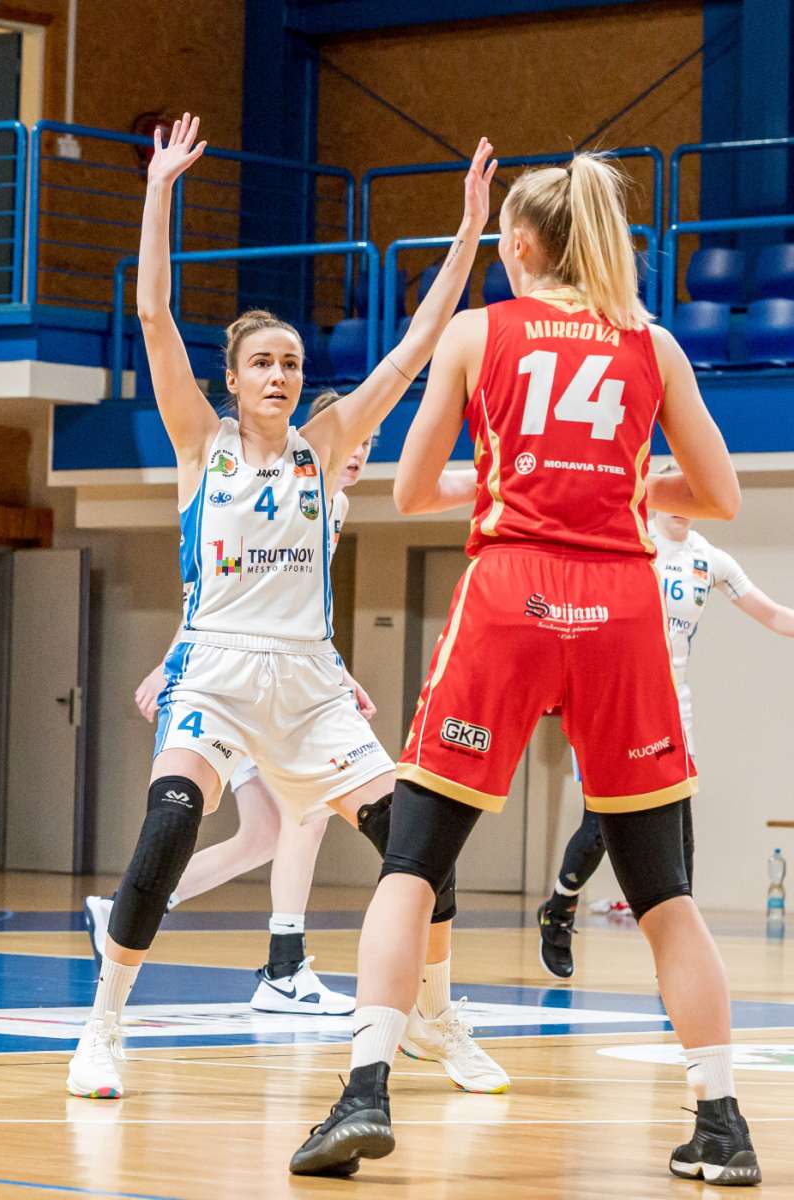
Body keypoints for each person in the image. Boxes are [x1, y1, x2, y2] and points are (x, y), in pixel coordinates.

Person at [291, 153, 761, 1187]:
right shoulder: (652, 341)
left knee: (411, 865)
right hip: (622, 606)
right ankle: (722, 1123)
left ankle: (364, 1092)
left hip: (511, 593)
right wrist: (621, 484)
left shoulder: (477, 332)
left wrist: (516, 476)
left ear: (517, 246)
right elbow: (720, 496)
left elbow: (413, 490)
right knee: (664, 894)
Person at [67, 113, 506, 1101]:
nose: (279, 375)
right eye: (262, 363)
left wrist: (468, 231)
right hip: (216, 670)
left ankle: (434, 1018)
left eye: (292, 363)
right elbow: (153, 314)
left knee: (421, 849)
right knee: (169, 825)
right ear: (232, 379)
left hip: (310, 682)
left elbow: (418, 343)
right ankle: (102, 1029)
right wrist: (158, 190)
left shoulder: (328, 444)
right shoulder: (201, 443)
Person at [82, 393, 373, 1018]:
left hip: (281, 673)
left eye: (368, 446)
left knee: (264, 833)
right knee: (306, 812)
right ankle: (284, 967)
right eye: (352, 442)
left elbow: (289, 610)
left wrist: (336, 672)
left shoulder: (335, 504)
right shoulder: (271, 479)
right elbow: (223, 586)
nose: (356, 454)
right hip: (229, 678)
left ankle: (127, 907)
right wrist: (171, 662)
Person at [537, 506, 794, 980]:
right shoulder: (629, 540)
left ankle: (678, 951)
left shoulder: (710, 559)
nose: (682, 502)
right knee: (600, 826)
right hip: (611, 703)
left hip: (673, 710)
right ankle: (559, 909)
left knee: (679, 831)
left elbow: (775, 615)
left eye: (692, 495)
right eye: (673, 489)